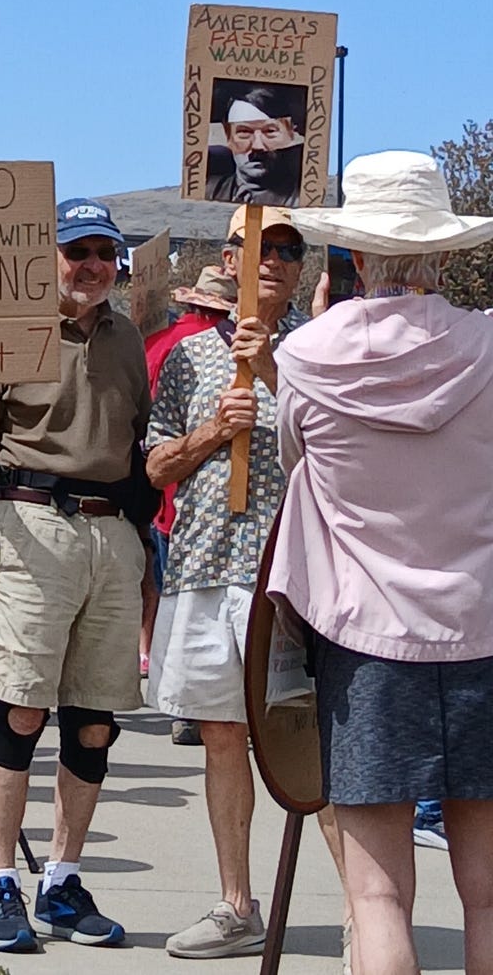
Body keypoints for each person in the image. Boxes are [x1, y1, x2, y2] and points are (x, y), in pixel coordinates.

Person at [268, 151, 493, 975]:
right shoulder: (489, 345)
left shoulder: (306, 358)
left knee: (378, 897)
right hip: (483, 627)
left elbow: (295, 464)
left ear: (356, 254)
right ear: (444, 253)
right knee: (489, 894)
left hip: (365, 643)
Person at [0, 198, 150, 952]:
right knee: (20, 709)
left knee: (94, 720)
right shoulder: (6, 331)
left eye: (104, 252)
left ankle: (62, 879)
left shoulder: (129, 337)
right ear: (49, 259)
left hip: (113, 532)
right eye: (77, 251)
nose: (92, 265)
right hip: (30, 520)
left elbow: (141, 446)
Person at [144, 209, 311, 957]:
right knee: (221, 734)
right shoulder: (187, 357)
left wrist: (273, 371)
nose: (273, 260)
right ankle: (236, 905)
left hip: (289, 578)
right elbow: (155, 465)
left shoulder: (319, 351)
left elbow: (339, 455)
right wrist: (216, 429)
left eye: (288, 249)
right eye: (259, 247)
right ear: (230, 257)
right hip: (205, 565)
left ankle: (362, 918)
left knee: (309, 742)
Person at [140, 265, 238, 701]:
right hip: (194, 502)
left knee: (161, 589)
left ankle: (152, 655)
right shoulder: (192, 349)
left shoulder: (157, 343)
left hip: (168, 499)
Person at [206, 82, 306, 207]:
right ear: (228, 135)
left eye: (269, 131)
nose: (257, 146)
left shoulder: (304, 198)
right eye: (244, 132)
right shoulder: (208, 191)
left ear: (290, 133)